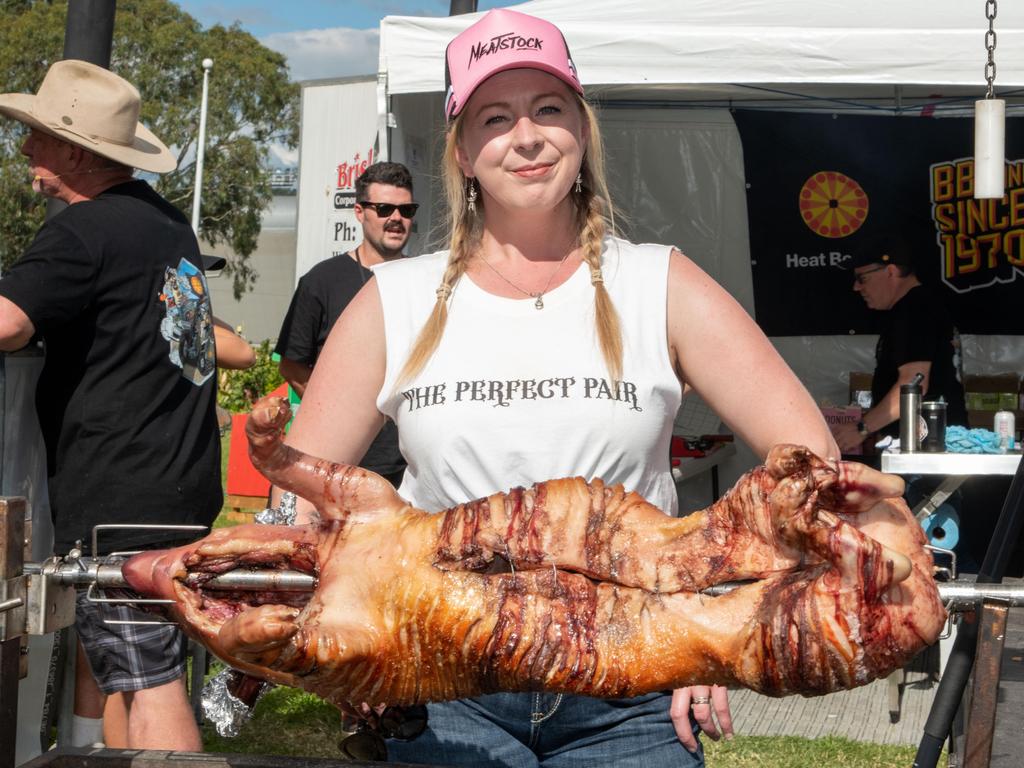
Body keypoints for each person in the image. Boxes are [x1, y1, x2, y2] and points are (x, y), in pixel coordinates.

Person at [282, 9, 837, 767]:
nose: (528, 135)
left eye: (549, 109)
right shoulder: (394, 300)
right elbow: (304, 498)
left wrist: (717, 621)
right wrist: (357, 627)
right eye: (496, 116)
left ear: (582, 129)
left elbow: (811, 465)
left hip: (633, 692)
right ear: (464, 150)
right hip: (446, 684)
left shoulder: (659, 283)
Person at [0, 60, 222, 750]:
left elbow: (7, 323)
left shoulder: (81, 231)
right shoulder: (165, 227)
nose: (25, 149)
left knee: (147, 678)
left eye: (37, 136)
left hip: (119, 496)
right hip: (179, 485)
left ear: (74, 151)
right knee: (137, 667)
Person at [274, 161, 415, 487]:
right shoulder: (322, 281)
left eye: (406, 210)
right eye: (384, 209)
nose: (396, 219)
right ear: (359, 212)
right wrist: (340, 419)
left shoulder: (428, 281)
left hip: (409, 470)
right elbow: (293, 367)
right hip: (339, 467)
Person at [834, 239, 967, 453]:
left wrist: (861, 428)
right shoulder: (915, 306)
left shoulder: (915, 310)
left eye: (862, 278)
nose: (856, 287)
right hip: (927, 446)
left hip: (927, 450)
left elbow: (914, 385)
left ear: (891, 271)